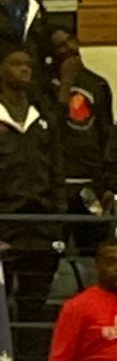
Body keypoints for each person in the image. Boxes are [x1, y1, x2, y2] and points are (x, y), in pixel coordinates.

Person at [0, 46, 65, 361]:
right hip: (3, 222)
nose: (24, 70)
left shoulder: (43, 113)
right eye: (16, 64)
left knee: (34, 304)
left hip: (40, 223)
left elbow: (57, 170)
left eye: (28, 65)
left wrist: (57, 223)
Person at [48, 28, 116, 231]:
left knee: (96, 246)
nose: (68, 48)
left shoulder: (97, 84)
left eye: (70, 41)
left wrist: (110, 182)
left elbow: (107, 133)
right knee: (57, 248)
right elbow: (51, 127)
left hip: (92, 185)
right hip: (59, 186)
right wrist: (66, 83)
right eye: (60, 46)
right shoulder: (43, 86)